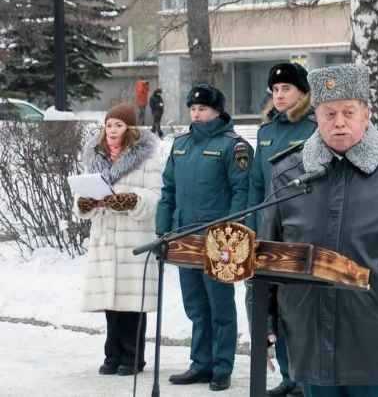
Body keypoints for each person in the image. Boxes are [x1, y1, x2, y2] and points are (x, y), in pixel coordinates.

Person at [260, 64, 378, 397]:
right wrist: (264, 324)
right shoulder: (287, 172)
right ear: (315, 116)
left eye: (349, 112)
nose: (339, 122)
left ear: (367, 114)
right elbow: (267, 261)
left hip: (376, 337)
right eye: (329, 113)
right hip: (309, 336)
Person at [155, 83, 251, 391]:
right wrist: (163, 228)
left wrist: (232, 232)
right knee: (195, 304)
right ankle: (201, 363)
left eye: (203, 109)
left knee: (219, 305)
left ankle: (222, 366)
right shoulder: (180, 144)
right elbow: (168, 189)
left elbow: (242, 192)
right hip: (185, 236)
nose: (197, 114)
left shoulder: (232, 146)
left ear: (218, 111)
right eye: (193, 109)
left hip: (219, 239)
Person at [73, 104, 163, 376]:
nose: (112, 130)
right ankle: (112, 355)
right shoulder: (95, 157)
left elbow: (156, 197)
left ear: (130, 129)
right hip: (105, 237)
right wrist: (85, 203)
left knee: (132, 303)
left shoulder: (148, 159)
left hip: (132, 237)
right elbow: (80, 199)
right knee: (111, 303)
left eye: (118, 125)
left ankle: (133, 357)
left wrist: (131, 199)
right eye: (109, 125)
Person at [247, 62, 316, 397]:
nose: (279, 95)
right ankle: (288, 376)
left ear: (302, 92)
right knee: (272, 305)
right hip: (267, 228)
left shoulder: (315, 128)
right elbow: (255, 185)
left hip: (301, 228)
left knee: (297, 306)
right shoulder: (266, 133)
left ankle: (305, 379)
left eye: (286, 89)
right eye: (275, 90)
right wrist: (249, 226)